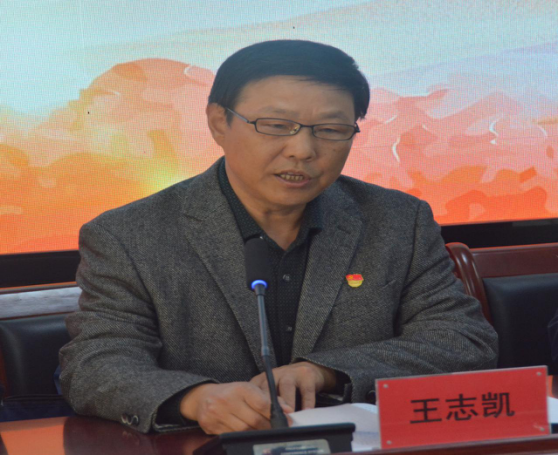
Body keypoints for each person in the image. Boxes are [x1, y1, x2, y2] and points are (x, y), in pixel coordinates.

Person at [59, 40, 498, 435]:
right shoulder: (130, 235)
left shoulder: (398, 220)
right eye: (275, 125)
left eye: (330, 129)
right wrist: (196, 399)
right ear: (218, 122)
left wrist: (326, 372)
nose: (303, 150)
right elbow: (96, 364)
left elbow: (462, 339)